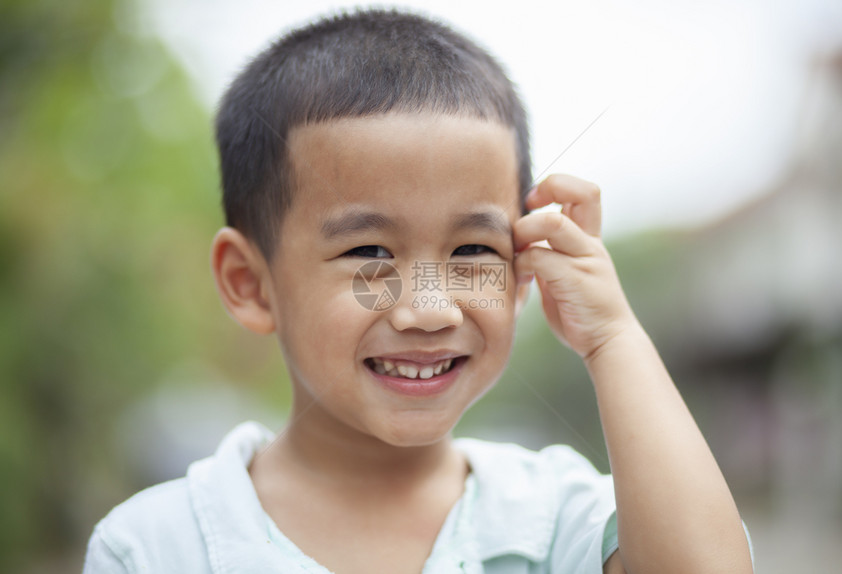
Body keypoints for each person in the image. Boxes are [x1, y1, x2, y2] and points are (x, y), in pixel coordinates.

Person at [83, 9, 754, 574]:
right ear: (250, 284)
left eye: (472, 251)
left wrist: (613, 337)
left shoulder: (556, 519)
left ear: (522, 269)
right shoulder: (155, 547)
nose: (430, 309)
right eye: (370, 252)